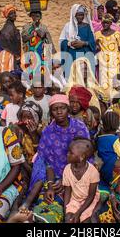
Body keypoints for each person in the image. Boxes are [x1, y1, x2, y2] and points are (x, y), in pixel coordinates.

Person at [29, 94, 90, 223]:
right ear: (51, 112)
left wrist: (67, 179)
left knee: (76, 206)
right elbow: (48, 162)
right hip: (54, 175)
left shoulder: (79, 127)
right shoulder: (48, 131)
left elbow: (85, 156)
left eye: (62, 107)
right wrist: (51, 185)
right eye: (55, 109)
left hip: (79, 172)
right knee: (46, 201)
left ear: (68, 109)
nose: (59, 111)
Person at [63, 138, 100, 223]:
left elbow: (91, 196)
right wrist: (66, 210)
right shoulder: (67, 169)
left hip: (89, 200)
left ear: (81, 157)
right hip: (75, 199)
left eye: (71, 153)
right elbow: (67, 191)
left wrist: (78, 213)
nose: (67, 154)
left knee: (86, 220)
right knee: (68, 219)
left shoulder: (93, 172)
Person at [95, 13, 120, 98]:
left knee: (115, 84)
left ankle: (114, 103)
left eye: (107, 23)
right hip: (103, 63)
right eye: (103, 22)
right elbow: (96, 47)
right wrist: (97, 46)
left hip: (115, 63)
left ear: (111, 23)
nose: (105, 24)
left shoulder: (117, 34)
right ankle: (105, 103)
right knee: (104, 84)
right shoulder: (97, 34)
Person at [60, 4, 96, 71]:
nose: (81, 17)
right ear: (74, 15)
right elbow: (62, 42)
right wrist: (69, 43)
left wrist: (84, 43)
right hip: (71, 55)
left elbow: (92, 42)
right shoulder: (68, 26)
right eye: (79, 15)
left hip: (84, 56)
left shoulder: (87, 27)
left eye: (82, 15)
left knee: (83, 75)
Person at [21, 10, 56, 79]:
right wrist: (32, 35)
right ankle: (31, 87)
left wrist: (36, 28)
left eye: (38, 16)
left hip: (41, 52)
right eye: (34, 16)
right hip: (31, 51)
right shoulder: (27, 27)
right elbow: (24, 38)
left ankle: (42, 86)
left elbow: (43, 35)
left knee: (42, 69)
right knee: (31, 69)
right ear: (31, 17)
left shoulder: (43, 27)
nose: (36, 18)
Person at [96, 112, 120, 197]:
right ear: (118, 125)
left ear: (103, 125)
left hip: (103, 171)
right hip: (113, 172)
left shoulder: (99, 139)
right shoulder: (117, 140)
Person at [0, 5, 21, 73]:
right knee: (9, 75)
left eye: (14, 13)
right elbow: (8, 44)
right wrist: (17, 56)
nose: (14, 15)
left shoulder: (11, 26)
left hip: (11, 54)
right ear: (7, 16)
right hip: (9, 54)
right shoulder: (8, 27)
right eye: (11, 14)